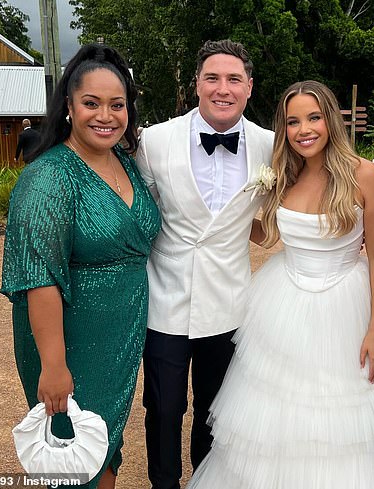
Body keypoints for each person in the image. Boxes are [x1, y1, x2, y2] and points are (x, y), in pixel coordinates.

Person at [185, 80, 374, 489]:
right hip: (284, 304)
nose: (304, 129)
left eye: (313, 117)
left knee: (347, 421)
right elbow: (265, 234)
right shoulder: (283, 174)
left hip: (345, 306)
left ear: (330, 119)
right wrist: (224, 214)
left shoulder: (363, 174)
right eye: (293, 121)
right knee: (276, 414)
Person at [0, 44, 161, 488]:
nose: (105, 115)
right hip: (71, 341)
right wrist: (54, 366)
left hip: (119, 338)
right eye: (91, 103)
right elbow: (38, 278)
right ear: (69, 107)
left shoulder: (125, 163)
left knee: (103, 447)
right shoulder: (49, 176)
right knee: (72, 459)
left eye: (117, 105)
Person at [135, 39, 274, 489]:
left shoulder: (271, 146)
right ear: (196, 83)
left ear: (249, 87)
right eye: (212, 77)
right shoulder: (154, 141)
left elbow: (280, 212)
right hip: (165, 301)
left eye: (234, 79)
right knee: (163, 408)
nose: (223, 88)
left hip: (230, 304)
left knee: (216, 411)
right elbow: (141, 214)